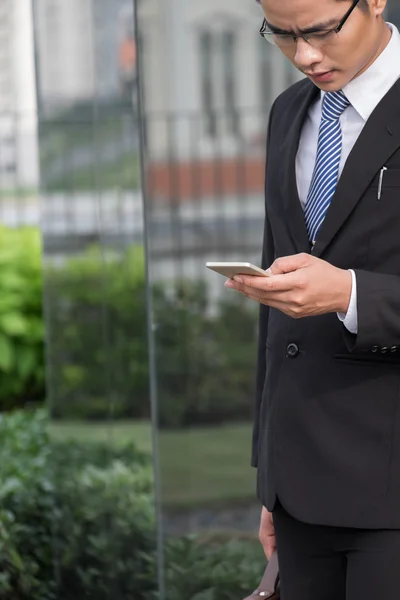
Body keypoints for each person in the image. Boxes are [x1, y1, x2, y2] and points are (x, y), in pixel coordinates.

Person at [225, 0, 400, 598]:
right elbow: (276, 333)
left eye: (322, 31)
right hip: (300, 493)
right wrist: (270, 481)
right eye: (281, 34)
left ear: (375, 1)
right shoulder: (289, 112)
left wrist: (349, 292)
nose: (304, 56)